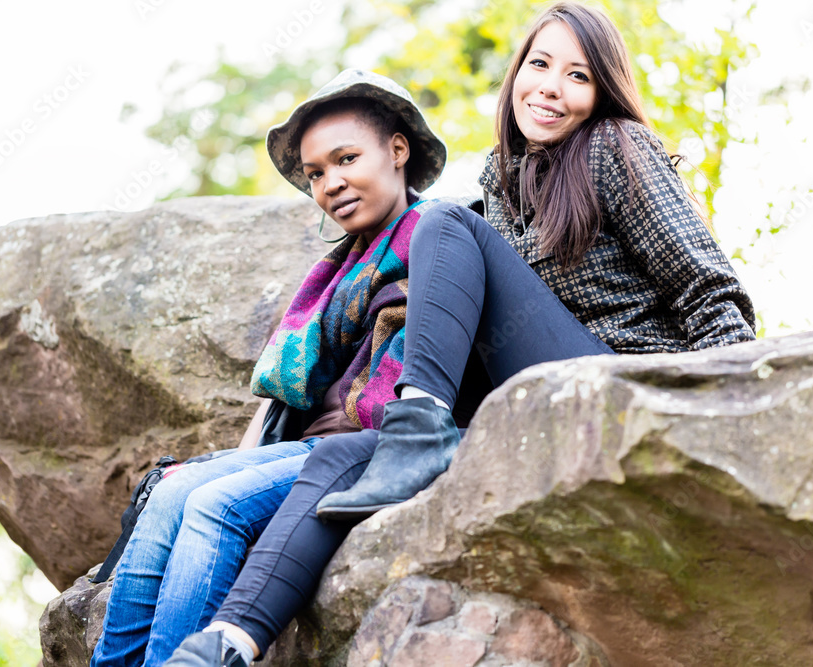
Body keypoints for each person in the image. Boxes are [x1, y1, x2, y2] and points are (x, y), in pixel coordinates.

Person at [166, 3, 755, 665]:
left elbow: (712, 290)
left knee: (442, 224)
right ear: (516, 73)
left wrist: (715, 429)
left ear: (600, 95)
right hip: (535, 399)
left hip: (624, 390)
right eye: (538, 64)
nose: (550, 87)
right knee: (343, 457)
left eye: (578, 76)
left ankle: (420, 427)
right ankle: (229, 641)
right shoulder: (502, 182)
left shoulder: (616, 148)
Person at [90, 68, 453, 667]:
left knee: (215, 506)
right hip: (309, 448)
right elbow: (287, 401)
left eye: (345, 158)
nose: (331, 183)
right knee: (172, 491)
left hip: (377, 445)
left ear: (397, 149)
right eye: (315, 173)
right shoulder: (339, 272)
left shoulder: (442, 240)